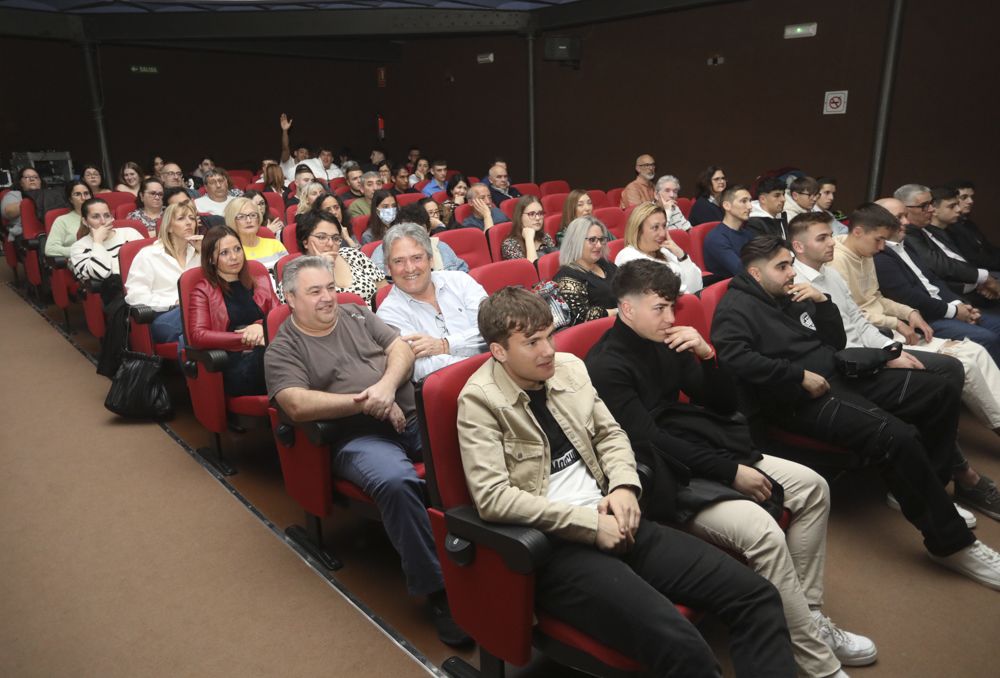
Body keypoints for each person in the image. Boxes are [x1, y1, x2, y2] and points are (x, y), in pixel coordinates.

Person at [457, 286, 796, 677]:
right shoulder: (479, 401)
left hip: (618, 517)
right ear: (499, 351)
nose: (548, 349)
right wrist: (589, 525)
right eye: (532, 342)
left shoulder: (569, 368)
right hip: (560, 549)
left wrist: (623, 487)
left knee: (756, 595)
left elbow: (611, 435)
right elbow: (493, 498)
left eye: (550, 335)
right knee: (683, 646)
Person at [588, 259, 872, 677]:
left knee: (813, 487)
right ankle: (819, 665)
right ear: (627, 309)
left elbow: (722, 404)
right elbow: (650, 441)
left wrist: (707, 356)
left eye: (673, 308)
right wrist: (730, 471)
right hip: (663, 474)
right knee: (763, 532)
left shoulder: (669, 340)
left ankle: (806, 618)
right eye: (660, 309)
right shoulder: (606, 364)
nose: (670, 319)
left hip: (700, 446)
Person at [710, 235, 1000, 591]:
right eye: (781, 267)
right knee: (896, 435)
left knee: (939, 391)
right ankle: (951, 544)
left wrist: (824, 303)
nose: (790, 273)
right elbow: (735, 358)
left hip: (836, 374)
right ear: (756, 274)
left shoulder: (786, 296)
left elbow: (831, 342)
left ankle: (928, 490)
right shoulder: (735, 308)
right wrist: (797, 375)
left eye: (789, 264)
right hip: (798, 398)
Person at [264, 255, 470, 647]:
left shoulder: (356, 312)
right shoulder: (284, 347)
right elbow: (295, 404)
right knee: (396, 481)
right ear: (290, 298)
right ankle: (440, 591)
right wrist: (365, 402)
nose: (328, 298)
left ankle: (487, 553)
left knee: (472, 444)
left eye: (330, 287)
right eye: (315, 292)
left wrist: (386, 389)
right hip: (357, 438)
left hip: (411, 416)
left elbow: (402, 351)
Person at [792, 210, 1000, 518]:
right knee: (937, 386)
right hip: (848, 366)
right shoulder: (796, 284)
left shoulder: (830, 273)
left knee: (951, 369)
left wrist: (891, 351)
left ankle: (933, 474)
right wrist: (884, 359)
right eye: (822, 238)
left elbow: (859, 322)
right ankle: (944, 480)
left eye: (829, 235)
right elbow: (832, 346)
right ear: (798, 247)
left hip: (870, 350)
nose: (832, 242)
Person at [874, 197, 1000, 366]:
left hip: (947, 307)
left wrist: (959, 305)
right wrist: (954, 311)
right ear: (879, 222)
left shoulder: (905, 244)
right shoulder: (879, 254)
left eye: (906, 215)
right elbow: (908, 297)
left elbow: (934, 279)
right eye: (899, 217)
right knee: (987, 338)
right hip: (927, 317)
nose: (906, 221)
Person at [375, 223, 487, 380]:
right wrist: (485, 365)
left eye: (417, 258)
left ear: (431, 260)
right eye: (399, 261)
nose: (409, 268)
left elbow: (492, 331)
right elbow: (423, 368)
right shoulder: (388, 314)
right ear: (388, 268)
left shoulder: (461, 281)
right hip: (454, 389)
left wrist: (445, 345)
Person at [188, 225, 280, 396]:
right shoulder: (203, 290)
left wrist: (260, 327)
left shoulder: (261, 282)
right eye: (224, 253)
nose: (234, 257)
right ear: (211, 259)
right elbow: (198, 335)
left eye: (237, 249)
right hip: (234, 362)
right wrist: (245, 338)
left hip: (269, 352)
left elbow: (280, 317)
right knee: (276, 355)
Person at [896, 184, 1000, 307]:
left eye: (931, 204)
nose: (931, 209)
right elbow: (939, 265)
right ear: (904, 209)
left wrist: (979, 282)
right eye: (924, 206)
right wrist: (982, 278)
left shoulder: (932, 229)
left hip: (970, 289)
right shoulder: (907, 233)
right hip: (950, 299)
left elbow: (959, 260)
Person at [124, 200, 203, 344]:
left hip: (197, 313)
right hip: (164, 316)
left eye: (192, 218)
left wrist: (205, 253)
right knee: (196, 313)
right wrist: (174, 303)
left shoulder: (199, 252)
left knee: (196, 328)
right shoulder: (149, 255)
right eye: (181, 218)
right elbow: (135, 296)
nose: (189, 223)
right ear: (169, 227)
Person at [294, 209, 385, 304]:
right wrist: (322, 267)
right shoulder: (295, 274)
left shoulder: (353, 255)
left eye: (335, 238)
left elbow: (384, 293)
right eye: (321, 237)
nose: (330, 243)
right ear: (305, 242)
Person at [615, 202, 702, 293]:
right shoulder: (627, 257)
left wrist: (682, 255)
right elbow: (660, 294)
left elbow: (696, 287)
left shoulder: (664, 251)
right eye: (655, 227)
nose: (663, 233)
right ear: (638, 231)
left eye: (664, 226)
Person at [70, 197, 144, 298]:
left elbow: (149, 263)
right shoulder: (79, 247)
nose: (103, 221)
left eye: (107, 215)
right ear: (85, 221)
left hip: (143, 284)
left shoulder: (130, 233)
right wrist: (98, 242)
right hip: (116, 296)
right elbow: (101, 273)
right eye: (96, 217)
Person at [368, 204, 468, 274]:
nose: (414, 237)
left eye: (419, 231)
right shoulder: (382, 252)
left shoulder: (440, 247)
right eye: (407, 231)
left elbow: (463, 273)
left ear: (428, 231)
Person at [554, 216, 618, 325]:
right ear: (576, 242)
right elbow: (582, 317)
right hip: (599, 334)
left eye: (601, 239)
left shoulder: (605, 264)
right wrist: (619, 311)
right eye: (592, 240)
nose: (598, 245)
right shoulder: (567, 277)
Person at [946, 179, 1000, 273]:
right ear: (952, 200)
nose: (971, 201)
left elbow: (988, 247)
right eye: (964, 197)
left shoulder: (968, 223)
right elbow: (972, 259)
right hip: (980, 274)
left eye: (971, 197)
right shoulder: (948, 227)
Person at [703, 185, 754, 279]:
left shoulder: (748, 233)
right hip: (730, 288)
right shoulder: (716, 238)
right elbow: (741, 270)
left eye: (750, 201)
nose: (750, 206)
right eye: (743, 201)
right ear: (727, 205)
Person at [225, 197, 287, 272]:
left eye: (253, 215)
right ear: (232, 221)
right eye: (241, 217)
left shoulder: (275, 244)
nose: (249, 220)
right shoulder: (231, 253)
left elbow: (290, 275)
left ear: (258, 219)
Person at [502, 195, 557, 263]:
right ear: (520, 216)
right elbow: (530, 271)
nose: (537, 218)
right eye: (531, 214)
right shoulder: (510, 244)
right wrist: (529, 239)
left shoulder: (545, 236)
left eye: (540, 213)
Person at [44, 181, 91, 258]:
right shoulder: (62, 220)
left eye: (86, 193)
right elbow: (50, 249)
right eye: (77, 194)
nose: (83, 198)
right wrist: (80, 251)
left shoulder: (102, 216)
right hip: (79, 260)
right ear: (70, 199)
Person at [2, 166, 43, 240]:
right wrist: (32, 201)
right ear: (21, 182)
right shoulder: (14, 194)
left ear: (40, 181)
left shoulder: (48, 195)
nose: (32, 179)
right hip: (24, 236)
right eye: (27, 177)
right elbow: (8, 213)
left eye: (35, 177)